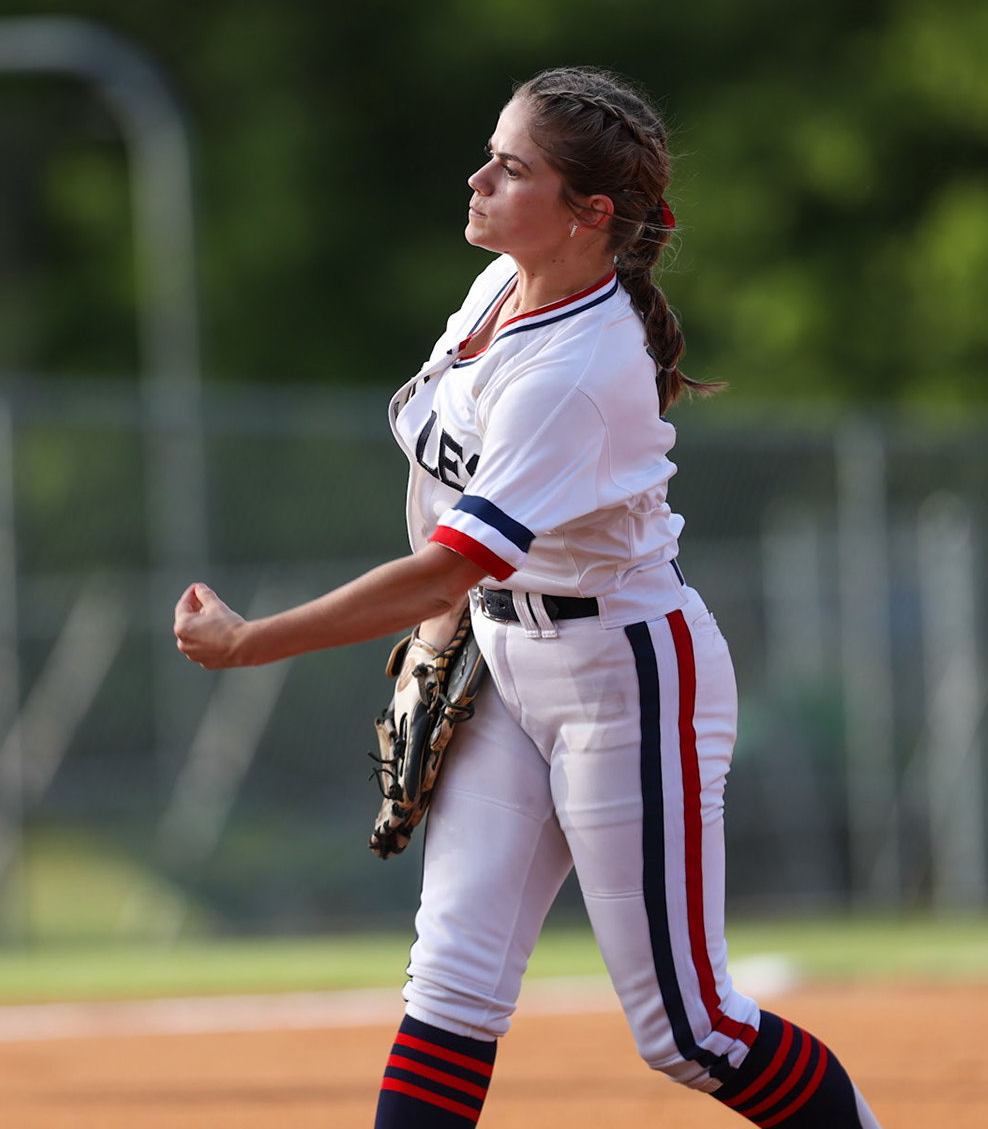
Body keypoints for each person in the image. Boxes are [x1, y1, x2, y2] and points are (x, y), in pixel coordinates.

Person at [175, 68, 884, 1128]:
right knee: (450, 985)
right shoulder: (499, 289)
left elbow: (453, 558)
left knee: (691, 1030)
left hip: (626, 682)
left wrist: (251, 642)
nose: (478, 178)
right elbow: (443, 486)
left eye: (512, 168)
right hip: (508, 665)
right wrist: (433, 643)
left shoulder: (580, 367)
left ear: (591, 214)